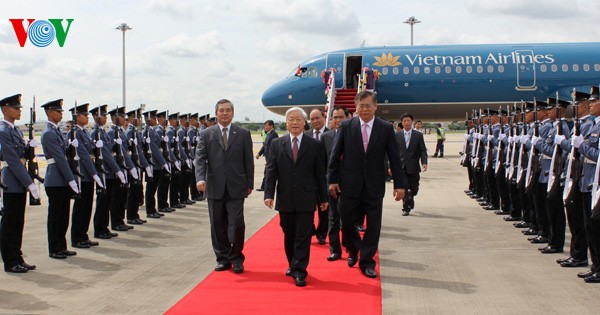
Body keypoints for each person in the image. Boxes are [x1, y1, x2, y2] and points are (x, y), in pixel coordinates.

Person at [328, 91, 405, 278]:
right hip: (349, 184)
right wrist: (332, 180)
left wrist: (400, 185)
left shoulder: (385, 128)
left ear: (375, 106)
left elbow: (395, 158)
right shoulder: (346, 126)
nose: (364, 109)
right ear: (356, 106)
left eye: (368, 106)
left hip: (374, 185)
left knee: (373, 226)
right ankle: (354, 250)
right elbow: (335, 155)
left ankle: (367, 261)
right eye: (361, 106)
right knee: (346, 222)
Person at [264, 107, 328, 287]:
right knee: (289, 232)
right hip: (285, 198)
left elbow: (320, 174)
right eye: (291, 119)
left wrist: (323, 198)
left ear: (304, 122)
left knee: (303, 235)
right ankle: (292, 264)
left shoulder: (314, 145)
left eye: (298, 119)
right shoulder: (277, 144)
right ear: (286, 123)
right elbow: (271, 170)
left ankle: (300, 270)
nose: (294, 122)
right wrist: (269, 194)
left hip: (306, 198)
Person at [195, 99, 254, 273]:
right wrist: (200, 179)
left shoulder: (243, 133)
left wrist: (249, 182)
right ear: (216, 113)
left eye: (228, 110)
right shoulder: (206, 134)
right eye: (221, 110)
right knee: (217, 224)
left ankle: (236, 257)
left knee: (236, 223)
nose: (225, 113)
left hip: (237, 186)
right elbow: (199, 159)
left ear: (233, 113)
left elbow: (248, 160)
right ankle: (222, 258)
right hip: (214, 186)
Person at [0, 94, 38, 272]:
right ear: (5, 109)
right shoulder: (3, 131)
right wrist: (29, 183)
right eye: (16, 108)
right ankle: (10, 261)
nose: (19, 110)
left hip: (20, 181)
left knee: (18, 222)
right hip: (11, 181)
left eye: (20, 108)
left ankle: (17, 256)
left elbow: (23, 156)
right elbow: (13, 161)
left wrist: (30, 147)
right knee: (9, 223)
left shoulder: (15, 130)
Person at [41, 99, 79, 259]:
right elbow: (60, 158)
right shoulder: (49, 132)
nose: (61, 113)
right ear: (50, 113)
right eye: (58, 111)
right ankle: (54, 248)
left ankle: (61, 246)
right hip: (56, 179)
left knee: (63, 215)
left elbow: (65, 154)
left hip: (62, 179)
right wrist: (72, 179)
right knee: (56, 216)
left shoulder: (56, 131)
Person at [67, 103, 104, 248]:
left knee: (87, 206)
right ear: (77, 116)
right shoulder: (73, 133)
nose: (87, 117)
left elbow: (90, 153)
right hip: (81, 174)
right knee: (80, 207)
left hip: (87, 175)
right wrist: (95, 174)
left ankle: (83, 235)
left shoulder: (84, 132)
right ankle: (77, 238)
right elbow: (83, 156)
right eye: (85, 114)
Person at [320, 106, 349, 261]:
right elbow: (323, 163)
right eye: (335, 117)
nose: (337, 120)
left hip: (350, 184)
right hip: (331, 184)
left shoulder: (354, 135)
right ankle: (335, 250)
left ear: (347, 118)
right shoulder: (326, 137)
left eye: (340, 117)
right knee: (333, 218)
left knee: (349, 218)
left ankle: (351, 248)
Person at [395, 113, 427, 216]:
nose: (406, 122)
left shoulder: (418, 135)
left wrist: (424, 162)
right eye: (404, 121)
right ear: (402, 122)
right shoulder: (397, 135)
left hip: (413, 166)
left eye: (408, 120)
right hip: (401, 166)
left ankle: (411, 197)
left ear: (411, 122)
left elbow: (422, 150)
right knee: (404, 188)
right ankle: (405, 207)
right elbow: (394, 152)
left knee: (414, 188)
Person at [305, 109, 329, 245]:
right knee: (307, 209)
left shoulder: (330, 134)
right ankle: (310, 230)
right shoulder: (306, 134)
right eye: (312, 119)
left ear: (324, 117)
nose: (314, 121)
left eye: (317, 118)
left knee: (324, 210)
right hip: (308, 180)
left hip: (324, 179)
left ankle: (321, 233)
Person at [142, 110, 169, 218]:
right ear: (148, 119)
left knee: (153, 188)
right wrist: (163, 162)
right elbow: (153, 148)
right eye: (154, 118)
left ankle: (153, 209)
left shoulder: (152, 131)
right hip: (152, 163)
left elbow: (159, 147)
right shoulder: (147, 131)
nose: (156, 120)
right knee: (150, 188)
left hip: (156, 164)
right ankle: (150, 210)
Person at [256, 120, 278, 192]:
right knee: (267, 172)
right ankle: (264, 187)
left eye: (266, 125)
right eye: (264, 126)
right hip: (267, 157)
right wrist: (259, 153)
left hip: (271, 157)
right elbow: (265, 145)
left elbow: (274, 147)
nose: (265, 127)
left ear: (271, 126)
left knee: (268, 172)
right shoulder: (268, 134)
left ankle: (264, 187)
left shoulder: (274, 134)